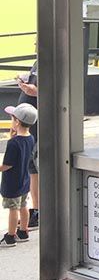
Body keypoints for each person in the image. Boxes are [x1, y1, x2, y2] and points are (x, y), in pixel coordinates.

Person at [1, 103, 38, 247]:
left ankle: (10, 236)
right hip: (24, 180)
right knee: (23, 206)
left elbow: (7, 165)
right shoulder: (30, 138)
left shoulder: (13, 143)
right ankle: (23, 231)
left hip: (12, 183)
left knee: (13, 209)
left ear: (17, 122)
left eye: (12, 119)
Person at [15, 61, 38, 230]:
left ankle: (37, 211)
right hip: (29, 122)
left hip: (36, 123)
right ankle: (34, 211)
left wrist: (34, 92)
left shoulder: (51, 61)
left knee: (34, 165)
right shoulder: (38, 62)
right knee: (31, 166)